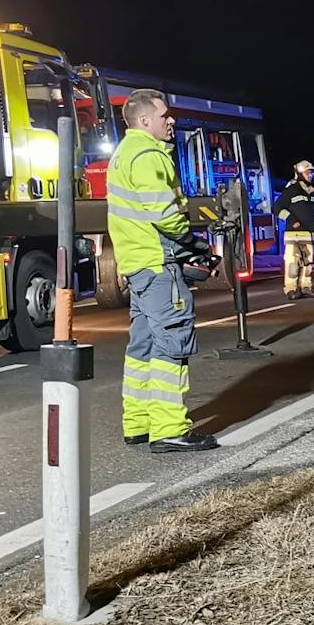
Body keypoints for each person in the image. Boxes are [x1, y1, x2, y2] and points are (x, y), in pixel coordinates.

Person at [107, 88, 218, 452]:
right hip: (157, 264)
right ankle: (170, 429)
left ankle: (138, 422)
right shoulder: (147, 154)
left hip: (138, 263)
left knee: (144, 344)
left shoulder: (124, 153)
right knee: (173, 341)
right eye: (164, 115)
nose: (171, 121)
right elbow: (164, 213)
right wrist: (194, 243)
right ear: (144, 120)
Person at [273, 160, 314, 299]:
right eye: (308, 172)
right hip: (293, 234)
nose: (310, 175)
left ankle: (306, 287)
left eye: (312, 173)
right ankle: (291, 289)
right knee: (292, 263)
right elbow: (277, 208)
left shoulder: (313, 192)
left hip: (309, 234)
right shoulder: (292, 189)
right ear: (300, 173)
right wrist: (291, 220)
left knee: (307, 264)